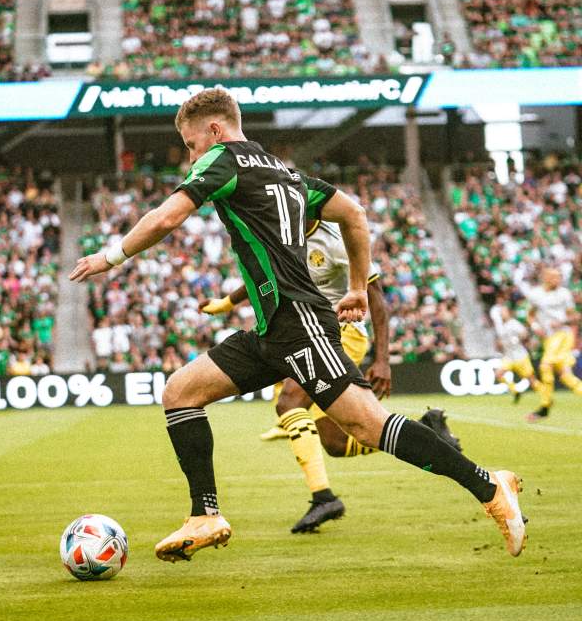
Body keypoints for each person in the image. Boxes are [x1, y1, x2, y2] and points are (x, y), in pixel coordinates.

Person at [70, 88, 527, 562]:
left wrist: (111, 257)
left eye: (190, 146)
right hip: (273, 329)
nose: (190, 157)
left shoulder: (223, 160)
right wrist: (354, 285)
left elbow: (169, 217)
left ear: (215, 130)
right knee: (180, 392)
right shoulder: (285, 173)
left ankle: (488, 486)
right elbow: (354, 213)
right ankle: (205, 514)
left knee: (367, 425)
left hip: (301, 322)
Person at [200, 221, 391, 532]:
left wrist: (382, 360)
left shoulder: (339, 241)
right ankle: (425, 431)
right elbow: (264, 275)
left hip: (341, 332)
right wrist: (225, 304)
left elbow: (378, 302)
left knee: (289, 403)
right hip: (306, 334)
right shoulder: (282, 233)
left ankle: (324, 498)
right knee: (334, 441)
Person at [525, 268, 582, 422]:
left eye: (560, 277)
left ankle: (545, 406)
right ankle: (545, 406)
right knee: (565, 375)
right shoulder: (535, 294)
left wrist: (562, 322)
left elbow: (575, 317)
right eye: (555, 277)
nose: (559, 280)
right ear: (546, 278)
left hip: (563, 335)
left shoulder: (564, 293)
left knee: (545, 366)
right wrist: (536, 328)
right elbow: (530, 315)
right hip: (549, 338)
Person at [490, 304, 543, 404]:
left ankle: (545, 394)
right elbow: (500, 342)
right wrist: (500, 344)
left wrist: (517, 339)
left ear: (509, 313)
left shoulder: (514, 323)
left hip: (520, 356)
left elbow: (525, 333)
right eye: (501, 312)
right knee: (498, 374)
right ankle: (515, 391)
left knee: (531, 380)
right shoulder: (501, 326)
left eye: (503, 311)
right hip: (509, 356)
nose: (502, 314)